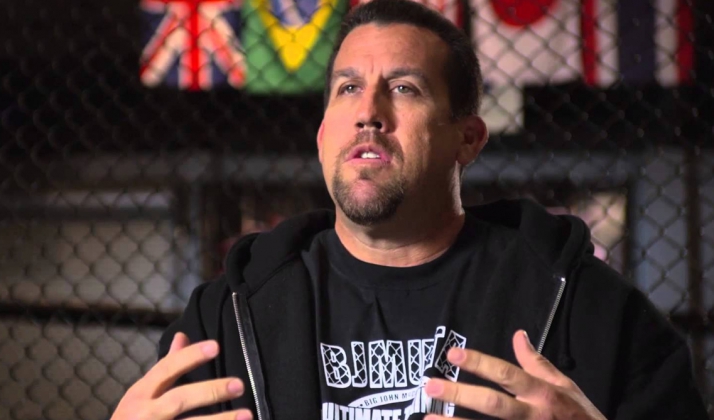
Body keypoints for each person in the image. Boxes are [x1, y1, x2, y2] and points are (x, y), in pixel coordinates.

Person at [111, 1, 708, 419]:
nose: (368, 112)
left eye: (404, 88)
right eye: (348, 88)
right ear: (322, 137)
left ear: (467, 139)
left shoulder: (585, 305)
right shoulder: (225, 317)